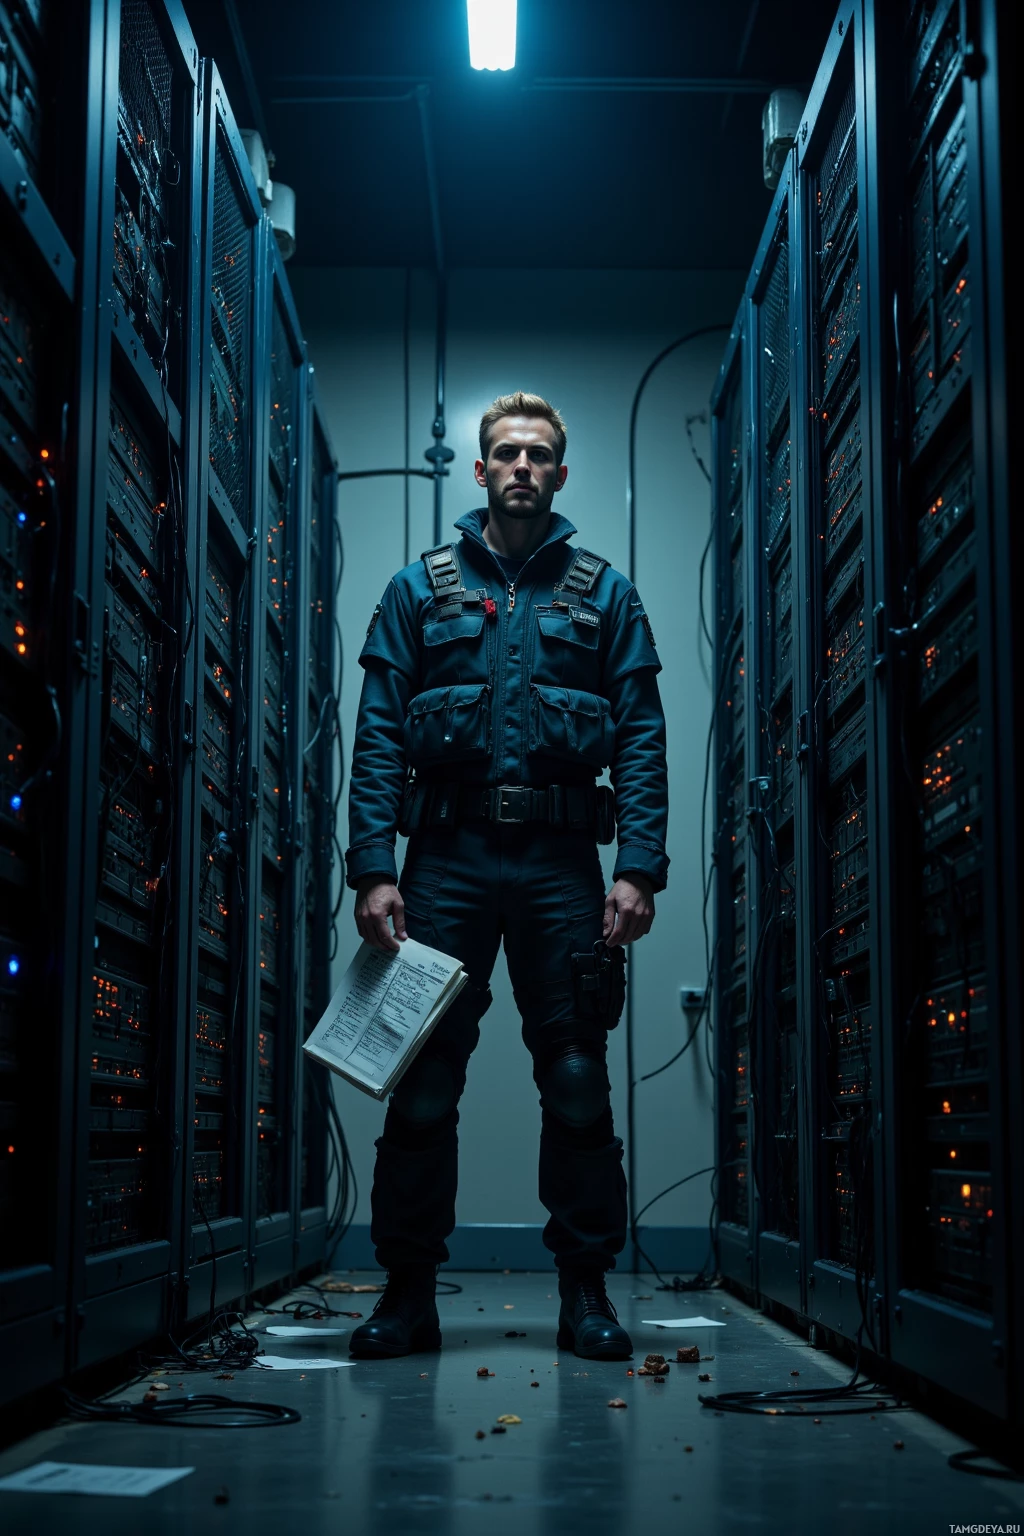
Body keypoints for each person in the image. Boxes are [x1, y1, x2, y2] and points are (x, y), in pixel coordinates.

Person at [345, 391, 668, 1361]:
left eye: (537, 454)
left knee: (574, 1077)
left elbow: (642, 742)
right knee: (422, 1084)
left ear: (560, 474)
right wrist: (370, 870)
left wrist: (637, 870)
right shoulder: (417, 590)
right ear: (478, 471)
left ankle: (584, 1294)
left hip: (561, 868)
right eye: (503, 453)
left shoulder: (606, 594)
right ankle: (406, 1295)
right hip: (441, 863)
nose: (520, 466)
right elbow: (376, 744)